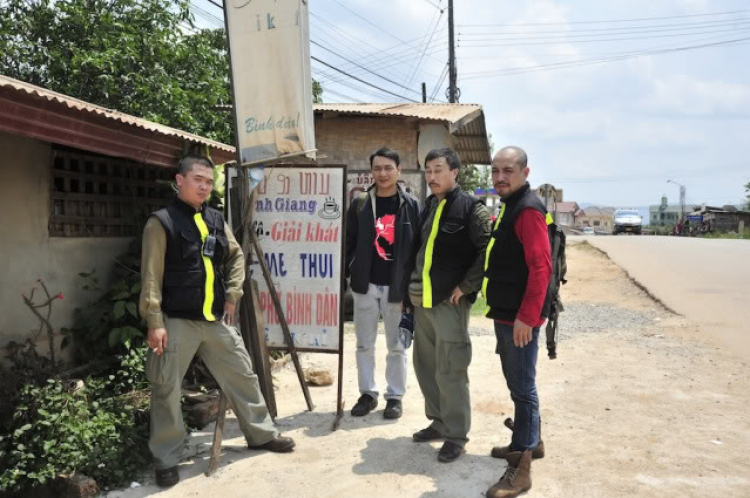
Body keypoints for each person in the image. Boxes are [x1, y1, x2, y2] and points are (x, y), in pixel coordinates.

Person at [139, 156, 294, 488]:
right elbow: (151, 275)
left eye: (209, 182)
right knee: (166, 387)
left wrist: (233, 293)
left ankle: (262, 434)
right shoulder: (161, 222)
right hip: (176, 320)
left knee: (242, 373)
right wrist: (155, 320)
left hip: (214, 319)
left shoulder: (214, 219)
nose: (204, 186)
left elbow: (235, 255)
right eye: (198, 179)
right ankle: (166, 457)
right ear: (179, 180)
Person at [404, 148, 491, 463]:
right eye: (428, 171)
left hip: (449, 306)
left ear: (455, 172)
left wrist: (466, 285)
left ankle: (456, 436)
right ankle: (439, 422)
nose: (432, 177)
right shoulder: (429, 206)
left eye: (438, 170)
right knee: (425, 367)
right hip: (422, 303)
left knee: (451, 370)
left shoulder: (472, 209)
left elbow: (487, 252)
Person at [483, 146, 552, 498]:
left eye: (507, 170)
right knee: (521, 385)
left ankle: (520, 470)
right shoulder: (511, 205)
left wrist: (527, 317)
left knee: (522, 388)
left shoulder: (526, 210)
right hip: (507, 312)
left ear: (525, 172)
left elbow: (541, 267)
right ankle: (531, 442)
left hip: (519, 318)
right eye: (495, 171)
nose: (499, 178)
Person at [345, 148, 421, 419]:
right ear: (371, 172)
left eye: (388, 168)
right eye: (377, 168)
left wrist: (412, 287)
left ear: (398, 170)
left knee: (397, 345)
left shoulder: (411, 205)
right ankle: (367, 394)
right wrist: (349, 273)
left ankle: (394, 396)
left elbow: (417, 249)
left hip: (396, 288)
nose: (383, 173)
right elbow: (348, 241)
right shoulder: (361, 203)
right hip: (365, 285)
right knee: (364, 343)